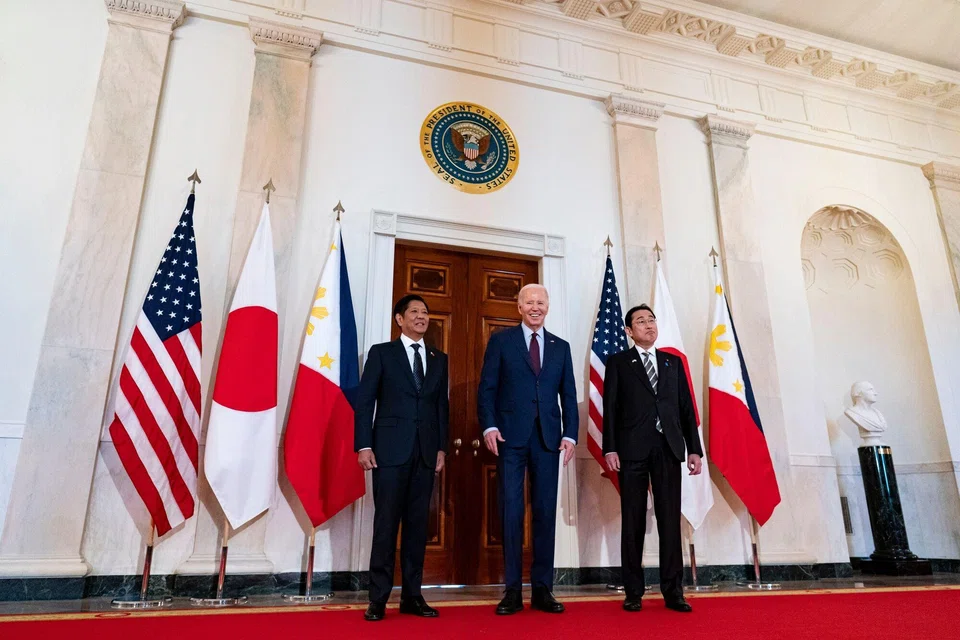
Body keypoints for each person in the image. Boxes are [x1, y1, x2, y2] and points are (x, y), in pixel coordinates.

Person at [478, 283, 578, 615]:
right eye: (529, 302)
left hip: (549, 440)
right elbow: (487, 388)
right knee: (511, 511)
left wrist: (571, 435)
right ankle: (511, 591)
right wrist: (489, 425)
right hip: (510, 438)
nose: (535, 307)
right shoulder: (501, 341)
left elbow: (568, 395)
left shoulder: (560, 347)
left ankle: (542, 589)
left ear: (547, 307)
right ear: (519, 307)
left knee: (545, 513)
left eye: (540, 302)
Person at [354, 294, 449, 621]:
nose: (422, 317)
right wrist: (363, 445)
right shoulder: (382, 354)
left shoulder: (439, 358)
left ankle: (412, 596)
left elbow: (440, 408)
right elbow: (365, 402)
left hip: (424, 453)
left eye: (425, 312)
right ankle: (377, 599)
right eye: (414, 312)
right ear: (399, 318)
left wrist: (440, 448)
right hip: (389, 453)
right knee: (385, 526)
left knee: (417, 528)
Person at [602, 303, 702, 613]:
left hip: (668, 449)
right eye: (641, 321)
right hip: (632, 450)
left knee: (670, 522)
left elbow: (686, 408)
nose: (648, 325)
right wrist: (610, 448)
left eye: (651, 320)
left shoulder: (673, 363)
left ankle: (673, 591)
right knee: (632, 522)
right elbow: (611, 409)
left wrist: (694, 448)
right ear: (629, 331)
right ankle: (633, 591)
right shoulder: (619, 363)